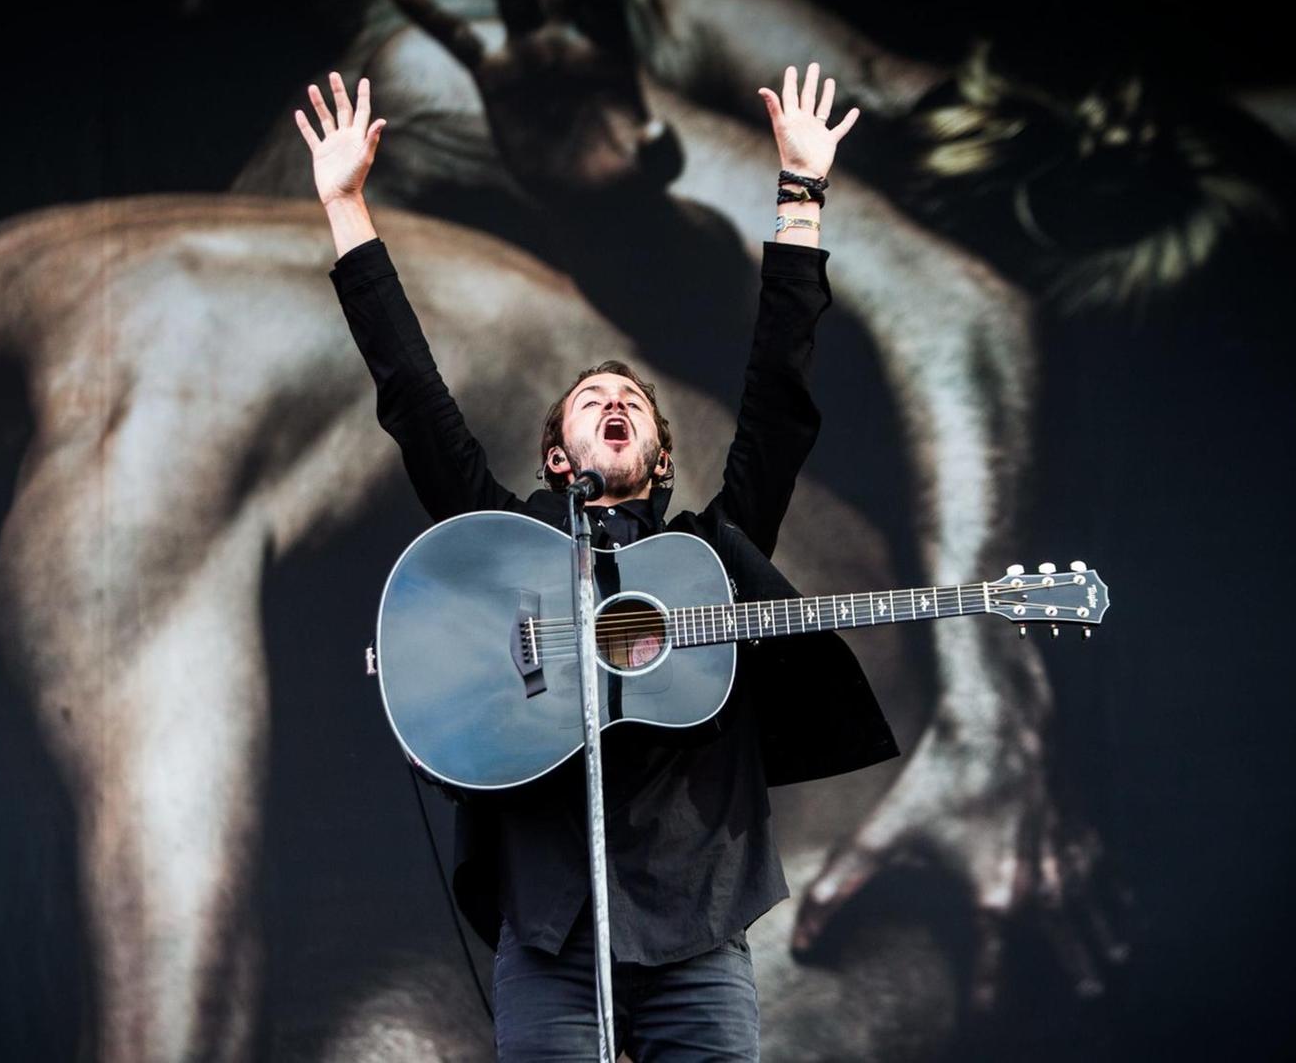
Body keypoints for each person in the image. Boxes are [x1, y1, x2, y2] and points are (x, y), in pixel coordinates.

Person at [298, 63, 900, 1060]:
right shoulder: (505, 549)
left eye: (633, 400)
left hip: (700, 934)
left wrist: (801, 196)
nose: (614, 401)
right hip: (551, 939)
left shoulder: (711, 554)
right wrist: (345, 207)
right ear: (555, 453)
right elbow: (410, 392)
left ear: (661, 457)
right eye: (590, 399)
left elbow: (779, 402)